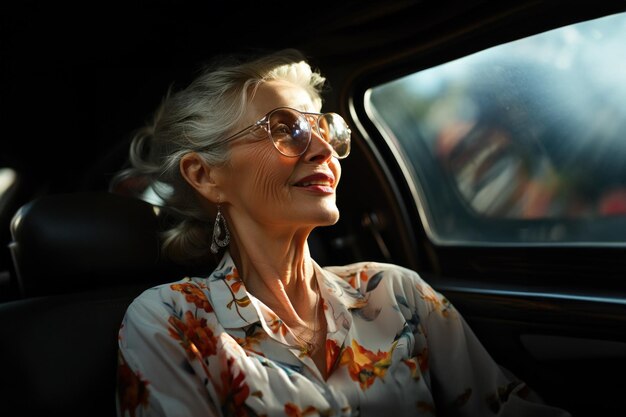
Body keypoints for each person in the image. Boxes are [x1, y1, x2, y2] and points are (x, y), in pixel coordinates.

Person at [112, 48, 571, 417]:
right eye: (286, 129)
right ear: (205, 176)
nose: (323, 149)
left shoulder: (395, 292)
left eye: (325, 129)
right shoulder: (171, 321)